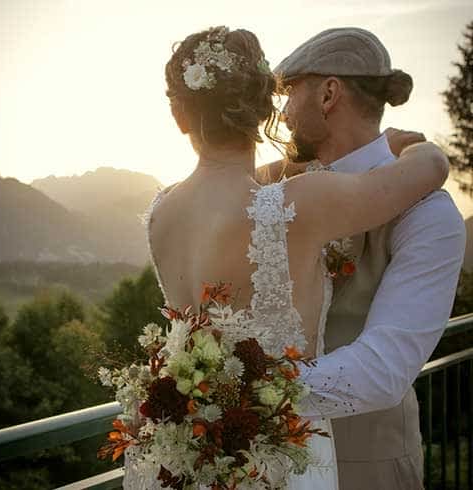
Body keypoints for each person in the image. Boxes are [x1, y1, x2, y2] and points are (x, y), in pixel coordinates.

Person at [125, 26, 453, 489]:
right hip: (285, 456)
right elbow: (432, 169)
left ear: (180, 117)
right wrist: (418, 148)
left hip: (198, 448)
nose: (282, 107)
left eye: (289, 91)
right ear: (261, 111)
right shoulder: (292, 202)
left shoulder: (162, 210)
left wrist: (202, 400)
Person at [251, 27, 465, 490]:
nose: (283, 114)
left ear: (328, 93)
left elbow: (382, 371)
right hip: (266, 468)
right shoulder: (279, 191)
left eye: (290, 93)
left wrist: (244, 391)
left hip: (366, 470)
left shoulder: (428, 214)